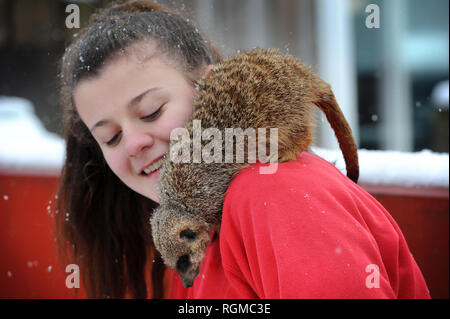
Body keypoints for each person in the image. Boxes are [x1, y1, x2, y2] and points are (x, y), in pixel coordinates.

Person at [56, 0, 430, 299]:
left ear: (212, 88)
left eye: (151, 111)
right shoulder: (191, 231)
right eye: (111, 137)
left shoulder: (271, 190)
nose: (134, 141)